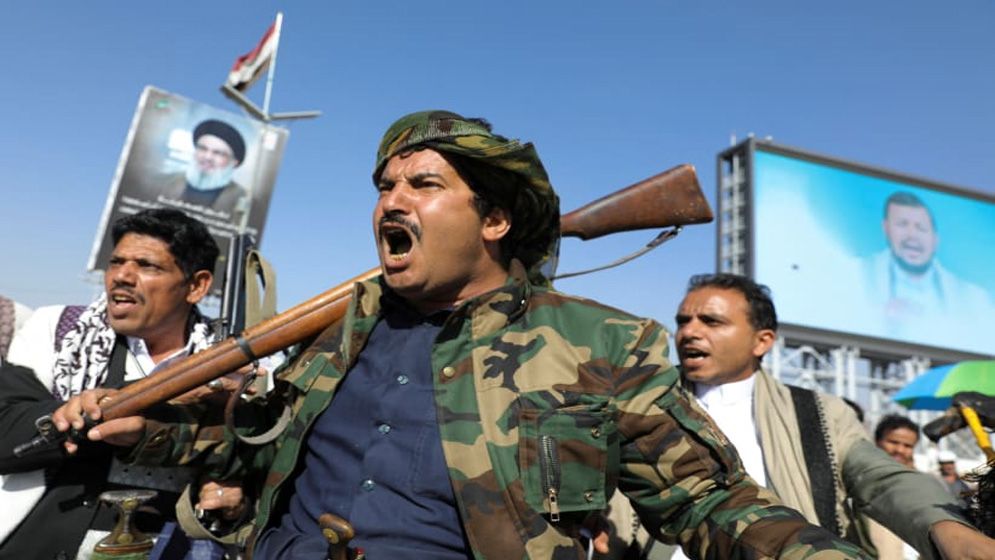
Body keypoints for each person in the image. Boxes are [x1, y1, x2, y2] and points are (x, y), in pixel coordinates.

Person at [55, 110, 868, 559]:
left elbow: (706, 501)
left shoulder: (601, 344)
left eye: (424, 183)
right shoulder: (331, 330)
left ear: (495, 220)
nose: (391, 201)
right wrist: (148, 427)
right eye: (385, 185)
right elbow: (249, 443)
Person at [666, 273, 994, 559]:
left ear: (762, 341)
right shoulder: (650, 403)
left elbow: (881, 479)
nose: (689, 332)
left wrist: (947, 528)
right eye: (683, 321)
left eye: (711, 321)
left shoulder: (818, 413)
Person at [0, 209, 244, 559]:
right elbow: (6, 431)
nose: (122, 276)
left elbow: (255, 461)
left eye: (147, 265)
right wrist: (75, 416)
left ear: (196, 286)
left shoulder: (234, 365)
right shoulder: (57, 331)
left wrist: (234, 492)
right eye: (116, 262)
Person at [861, 191, 993, 343]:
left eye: (921, 228)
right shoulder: (855, 275)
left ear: (935, 240)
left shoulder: (974, 298)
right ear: (886, 229)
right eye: (902, 225)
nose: (912, 235)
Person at [156, 119, 251, 222]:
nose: (207, 157)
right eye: (202, 148)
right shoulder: (164, 182)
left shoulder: (244, 198)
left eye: (218, 153)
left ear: (234, 162)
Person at [870, 414, 923, 560]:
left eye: (908, 446)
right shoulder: (861, 480)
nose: (900, 450)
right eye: (893, 442)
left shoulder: (921, 484)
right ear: (877, 441)